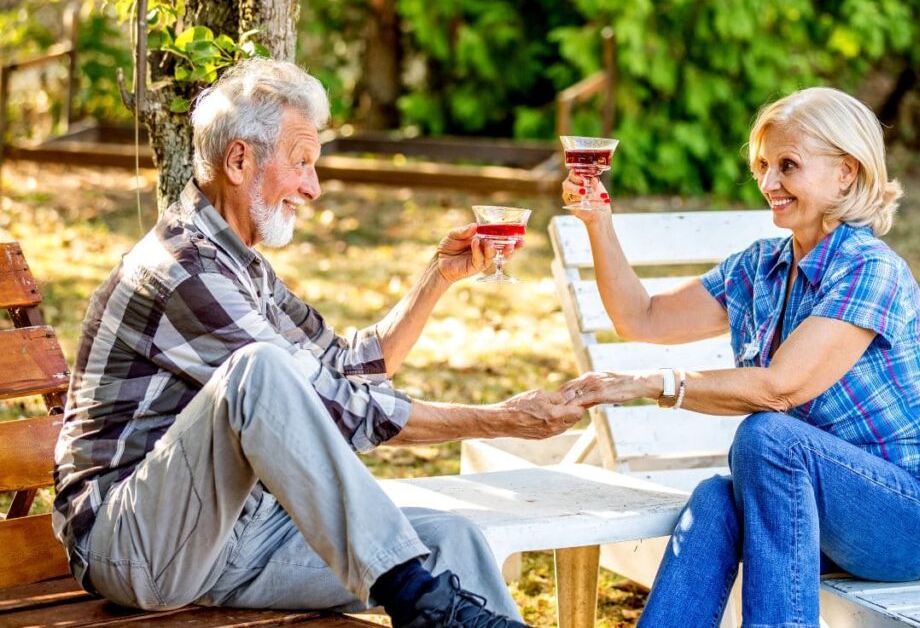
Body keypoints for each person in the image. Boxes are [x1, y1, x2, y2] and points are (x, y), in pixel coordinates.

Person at [52, 58, 584, 628]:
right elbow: (334, 410)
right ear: (239, 160)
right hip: (133, 548)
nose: (313, 187)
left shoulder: (241, 265)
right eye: (301, 162)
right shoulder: (183, 270)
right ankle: (413, 598)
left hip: (238, 537)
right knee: (258, 370)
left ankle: (426, 601)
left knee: (452, 539)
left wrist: (439, 276)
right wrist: (499, 419)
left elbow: (347, 368)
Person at [559, 87, 920, 627]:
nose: (769, 182)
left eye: (788, 165)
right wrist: (597, 220)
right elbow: (641, 318)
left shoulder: (870, 269)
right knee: (714, 499)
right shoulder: (759, 268)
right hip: (821, 507)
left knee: (767, 437)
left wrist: (650, 383)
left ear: (846, 173)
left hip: (919, 515)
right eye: (762, 165)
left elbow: (781, 388)